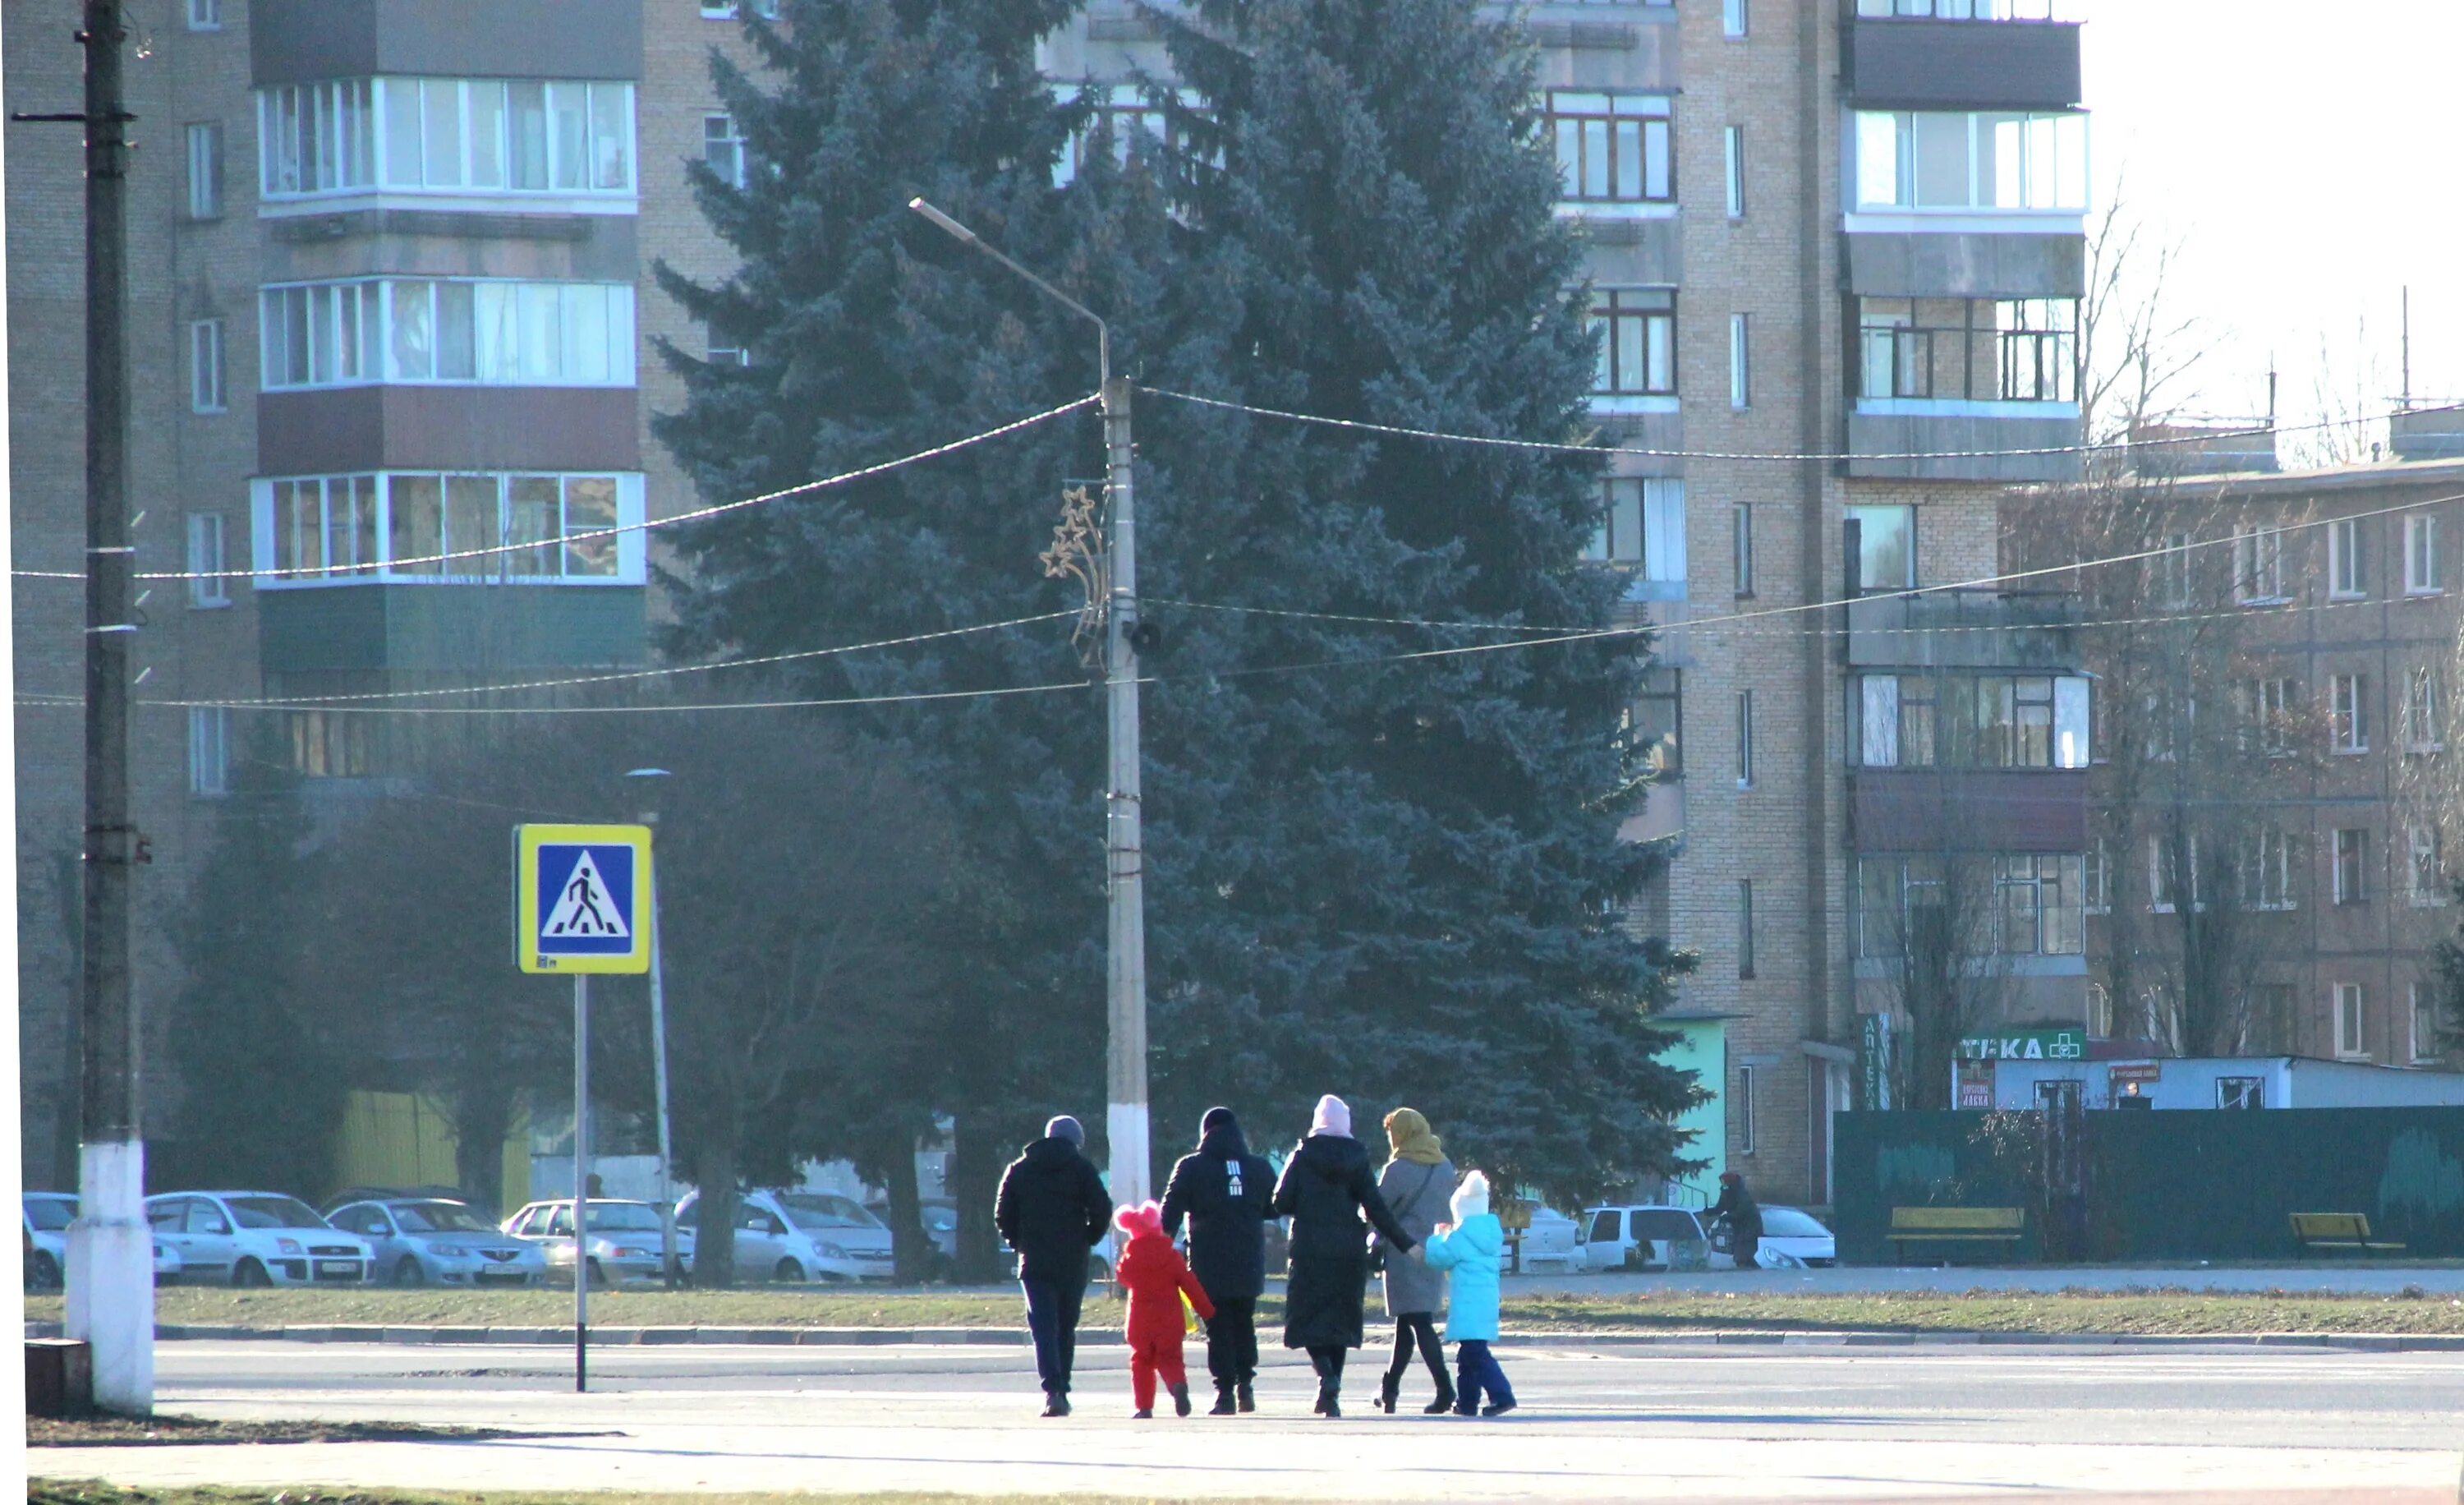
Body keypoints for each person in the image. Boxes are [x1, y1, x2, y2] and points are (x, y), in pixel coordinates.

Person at [1271, 1093, 1416, 1418]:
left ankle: (1326, 1377)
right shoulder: (1358, 1157)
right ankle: (1331, 1396)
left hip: (1309, 1247)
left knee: (1307, 1317)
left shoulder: (1302, 1154)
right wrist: (1404, 1242)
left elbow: (1281, 1201)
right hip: (1349, 1248)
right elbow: (1376, 1207)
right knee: (1339, 1319)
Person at [994, 1115, 1111, 1417]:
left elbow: (1002, 1214)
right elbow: (1102, 1208)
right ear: (1076, 1141)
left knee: (1043, 1327)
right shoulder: (1082, 1169)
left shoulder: (1020, 1169)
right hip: (1072, 1260)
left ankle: (1052, 1391)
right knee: (1065, 1327)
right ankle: (1063, 1387)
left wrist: (1018, 1243)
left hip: (1034, 1260)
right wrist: (1088, 1238)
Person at [1161, 1106, 1274, 1415]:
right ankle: (1246, 1386)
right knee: (1243, 1321)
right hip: (1249, 1257)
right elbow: (1274, 1207)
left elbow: (1169, 1213)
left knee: (1217, 1325)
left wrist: (1159, 1248)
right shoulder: (1259, 1167)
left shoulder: (1191, 1167)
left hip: (1208, 1260)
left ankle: (1224, 1393)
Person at [1373, 1107, 1456, 1415]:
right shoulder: (1445, 1166)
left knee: (1417, 1322)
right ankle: (1389, 1388)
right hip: (1434, 1249)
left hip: (1403, 1250)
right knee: (1407, 1322)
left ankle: (1445, 1389)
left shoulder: (1397, 1169)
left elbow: (1377, 1208)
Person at [1421, 1170, 1515, 1417]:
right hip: (1486, 1303)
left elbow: (1437, 1258)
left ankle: (1502, 1396)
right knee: (1468, 1355)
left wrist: (1437, 1236)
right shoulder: (1490, 1234)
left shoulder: (1460, 1237)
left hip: (1467, 1303)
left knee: (1476, 1355)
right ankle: (1467, 1403)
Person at [1112, 1200, 1216, 1418]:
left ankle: (1144, 1407)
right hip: (1169, 1319)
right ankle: (1177, 1385)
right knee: (1171, 1358)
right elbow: (1190, 1285)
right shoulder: (1171, 1257)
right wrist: (1207, 1310)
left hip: (1140, 1321)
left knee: (1141, 1362)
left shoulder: (1130, 1260)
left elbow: (1122, 1277)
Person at [1708, 1170, 1763, 1272]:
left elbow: (1742, 1211)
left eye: (1724, 1181)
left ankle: (1751, 1270)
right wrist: (1711, 1212)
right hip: (1739, 1227)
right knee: (1741, 1252)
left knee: (1744, 1252)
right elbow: (1721, 1206)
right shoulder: (1726, 1192)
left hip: (1750, 1226)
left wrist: (1728, 1216)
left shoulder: (1741, 1193)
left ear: (1730, 1181)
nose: (1722, 1183)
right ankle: (1748, 1269)